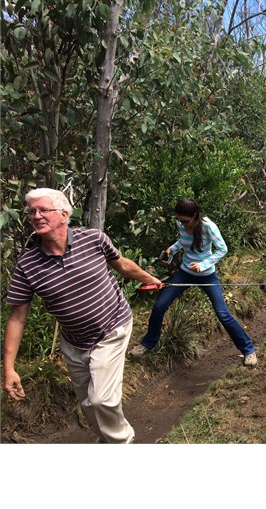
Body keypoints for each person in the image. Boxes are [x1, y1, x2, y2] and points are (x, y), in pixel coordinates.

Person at [3, 188, 162, 443]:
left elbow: (121, 264)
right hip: (75, 342)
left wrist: (149, 278)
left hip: (112, 328)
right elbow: (17, 318)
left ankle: (123, 443)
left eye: (43, 210)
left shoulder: (94, 239)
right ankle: (107, 439)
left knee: (101, 399)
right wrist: (9, 369)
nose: (36, 216)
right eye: (32, 211)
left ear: (64, 214)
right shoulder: (27, 265)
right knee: (88, 403)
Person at [129, 198, 258, 366]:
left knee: (223, 314)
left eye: (185, 221)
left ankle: (248, 350)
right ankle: (147, 343)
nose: (182, 224)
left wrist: (203, 265)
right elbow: (183, 241)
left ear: (195, 216)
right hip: (185, 273)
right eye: (179, 220)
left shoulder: (208, 227)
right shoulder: (181, 223)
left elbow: (223, 249)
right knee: (159, 306)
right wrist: (172, 250)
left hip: (207, 275)